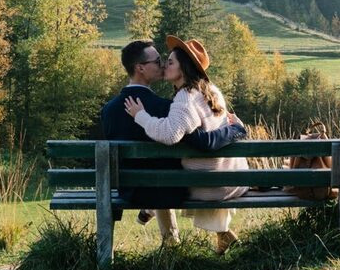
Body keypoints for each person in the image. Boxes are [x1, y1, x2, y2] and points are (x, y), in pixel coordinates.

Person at [99, 39, 244, 247]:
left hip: (127, 190)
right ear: (140, 68)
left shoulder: (109, 110)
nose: (162, 65)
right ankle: (173, 242)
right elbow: (190, 138)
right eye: (157, 61)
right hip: (167, 189)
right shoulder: (165, 107)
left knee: (159, 175)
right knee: (164, 174)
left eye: (165, 61)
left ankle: (171, 241)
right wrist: (235, 129)